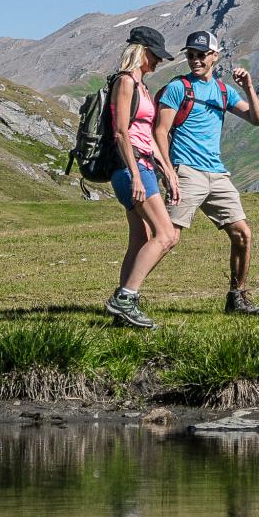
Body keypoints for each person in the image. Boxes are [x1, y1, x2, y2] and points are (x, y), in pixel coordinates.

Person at [153, 29, 259, 316]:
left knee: (242, 234)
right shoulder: (177, 88)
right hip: (186, 171)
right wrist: (169, 172)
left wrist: (249, 87)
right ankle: (128, 294)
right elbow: (160, 131)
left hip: (217, 174)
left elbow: (257, 120)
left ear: (214, 57)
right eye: (191, 55)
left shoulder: (223, 91)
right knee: (168, 237)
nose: (195, 60)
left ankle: (237, 297)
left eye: (202, 55)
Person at [101, 24, 179, 331]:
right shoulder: (125, 82)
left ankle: (122, 310)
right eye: (155, 55)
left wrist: (168, 171)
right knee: (167, 234)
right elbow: (121, 132)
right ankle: (126, 297)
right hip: (130, 168)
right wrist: (135, 174)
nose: (159, 61)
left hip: (144, 165)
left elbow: (145, 134)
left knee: (141, 238)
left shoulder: (142, 86)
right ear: (140, 52)